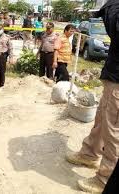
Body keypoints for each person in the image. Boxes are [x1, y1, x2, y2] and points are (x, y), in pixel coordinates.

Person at [65, 0, 119, 193]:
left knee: (113, 131)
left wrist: (111, 5)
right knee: (102, 120)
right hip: (113, 77)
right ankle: (89, 153)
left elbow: (115, 28)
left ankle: (105, 178)